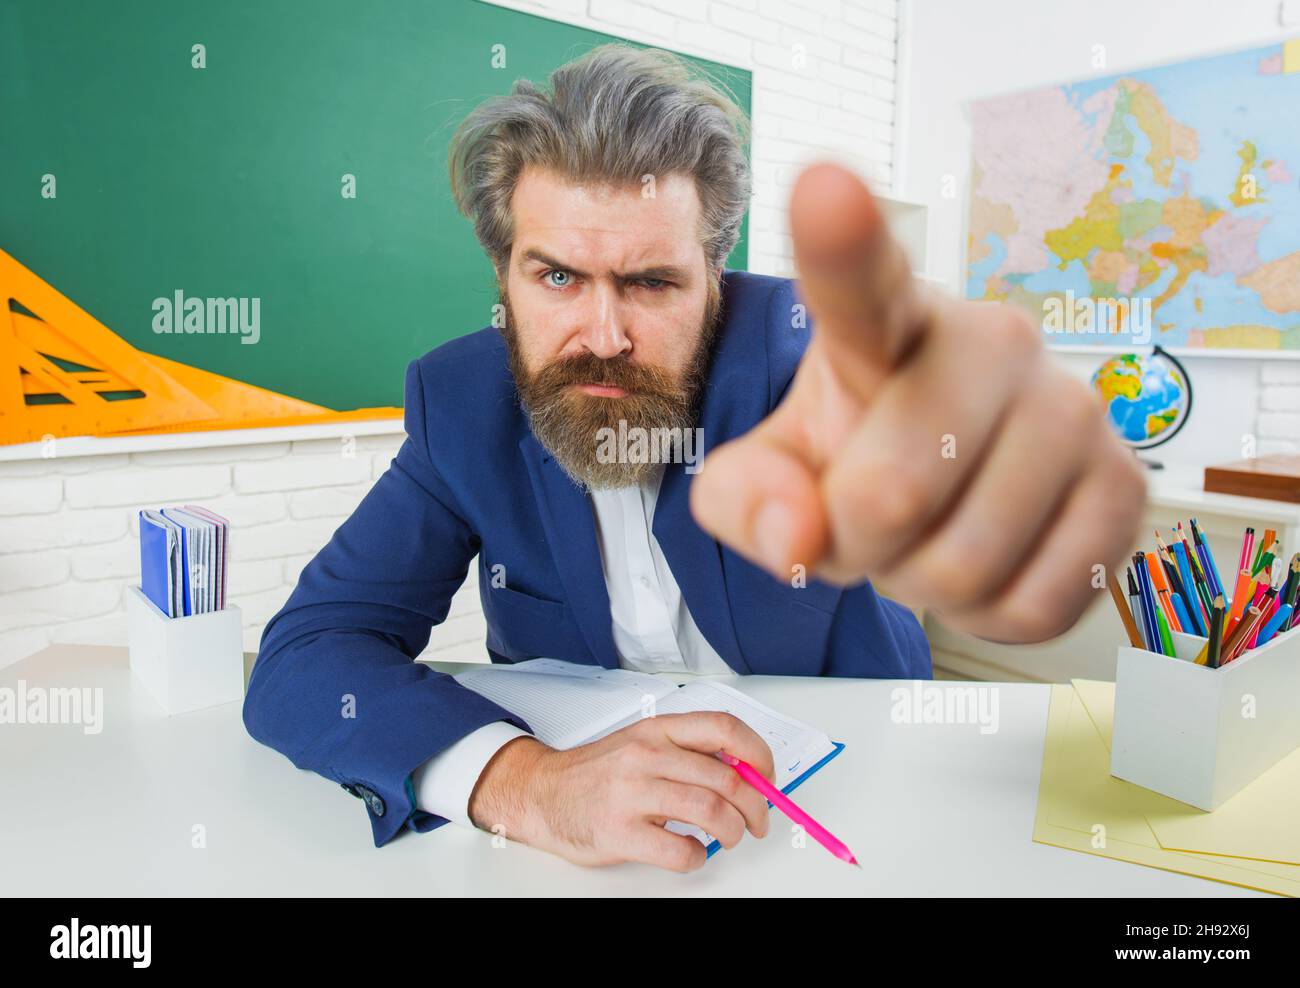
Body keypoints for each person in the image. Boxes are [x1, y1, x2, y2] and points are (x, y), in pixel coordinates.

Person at [243, 44, 1144, 872]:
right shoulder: (462, 405)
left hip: (853, 800)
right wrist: (525, 785)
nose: (603, 337)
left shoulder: (815, 359)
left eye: (651, 282)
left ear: (717, 277)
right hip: (580, 847)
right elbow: (309, 651)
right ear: (503, 277)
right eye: (556, 276)